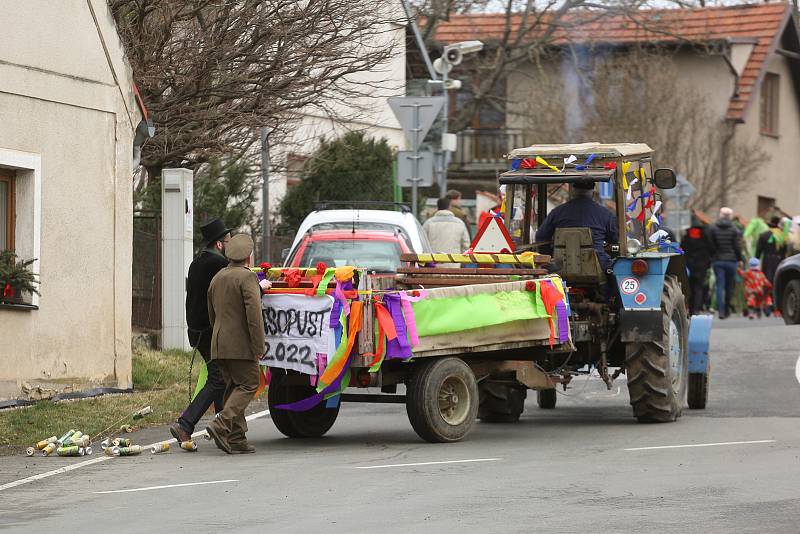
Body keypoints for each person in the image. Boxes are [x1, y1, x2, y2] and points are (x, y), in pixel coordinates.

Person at [170, 218, 230, 443]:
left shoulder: (197, 262)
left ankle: (223, 426)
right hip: (209, 330)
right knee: (218, 378)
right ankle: (185, 424)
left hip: (196, 330)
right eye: (228, 240)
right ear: (220, 244)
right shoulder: (218, 265)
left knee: (221, 376)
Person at [205, 234, 266, 454]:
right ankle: (221, 424)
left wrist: (219, 337)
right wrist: (259, 346)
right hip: (241, 345)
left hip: (220, 343)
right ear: (248, 257)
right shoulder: (247, 278)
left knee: (233, 388)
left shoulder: (217, 277)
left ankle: (236, 438)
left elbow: (211, 313)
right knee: (249, 384)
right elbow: (254, 315)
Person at [535, 181, 619, 270]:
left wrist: (551, 256)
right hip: (598, 265)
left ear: (572, 192)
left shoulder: (557, 212)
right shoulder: (605, 214)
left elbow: (541, 236)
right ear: (593, 193)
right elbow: (614, 238)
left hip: (561, 265)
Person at [708, 207, 743, 319]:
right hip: (731, 261)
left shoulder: (713, 228)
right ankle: (727, 309)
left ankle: (721, 311)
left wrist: (714, 255)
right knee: (729, 287)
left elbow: (711, 245)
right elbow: (737, 247)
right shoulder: (734, 229)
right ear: (730, 216)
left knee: (719, 286)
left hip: (718, 260)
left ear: (720, 215)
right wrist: (739, 259)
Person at [681, 214, 713, 316]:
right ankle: (696, 309)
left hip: (689, 265)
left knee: (689, 287)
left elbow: (682, 250)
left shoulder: (687, 236)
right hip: (701, 265)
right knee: (699, 287)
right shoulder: (705, 235)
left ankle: (689, 308)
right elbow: (711, 249)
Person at [755, 216, 788, 284]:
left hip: (767, 260)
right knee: (778, 280)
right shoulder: (784, 236)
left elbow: (758, 251)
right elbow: (786, 250)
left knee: (767, 280)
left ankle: (768, 294)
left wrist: (756, 261)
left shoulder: (764, 235)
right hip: (780, 260)